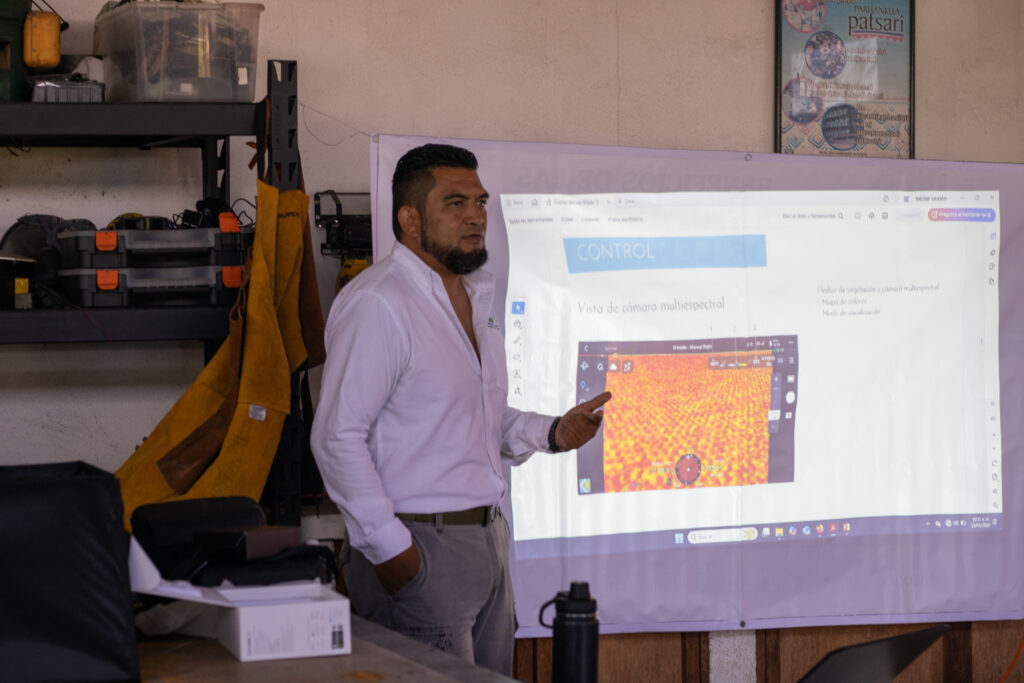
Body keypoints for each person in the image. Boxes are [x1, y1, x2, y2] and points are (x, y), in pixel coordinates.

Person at [310, 143, 611, 674]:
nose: (476, 216)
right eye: (455, 203)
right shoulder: (380, 303)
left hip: (487, 542)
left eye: (481, 202)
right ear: (410, 220)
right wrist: (392, 551)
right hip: (418, 547)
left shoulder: (475, 298)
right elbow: (336, 437)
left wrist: (553, 432)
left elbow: (475, 419)